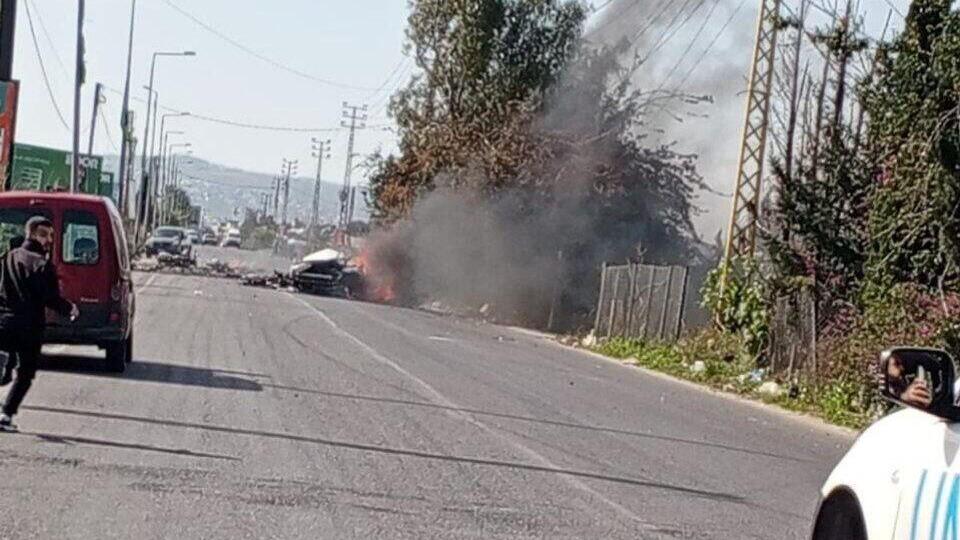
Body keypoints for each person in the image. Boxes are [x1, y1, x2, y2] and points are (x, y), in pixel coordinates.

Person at [0, 216, 78, 432]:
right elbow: (50, 298)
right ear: (32, 234)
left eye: (51, 236)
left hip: (4, 322)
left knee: (5, 363)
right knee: (25, 373)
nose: (49, 240)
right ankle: (6, 414)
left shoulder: (9, 257)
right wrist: (69, 308)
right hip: (30, 328)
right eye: (44, 235)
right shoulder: (42, 265)